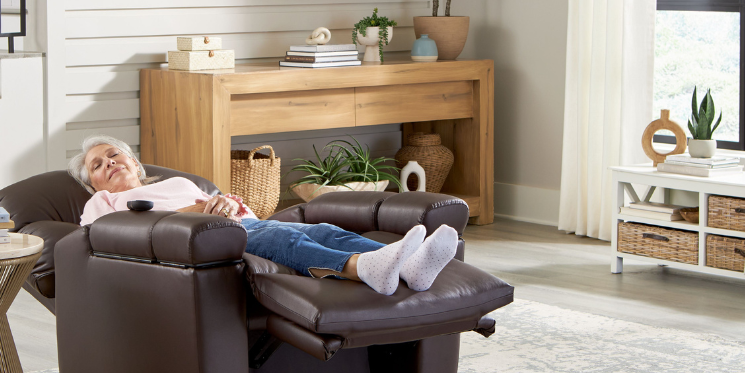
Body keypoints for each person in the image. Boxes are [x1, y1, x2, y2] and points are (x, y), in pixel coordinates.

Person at [67, 134, 459, 296]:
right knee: (283, 239)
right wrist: (199, 213)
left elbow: (238, 208)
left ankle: (410, 265)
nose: (109, 163)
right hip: (198, 244)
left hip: (237, 225)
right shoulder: (103, 204)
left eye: (114, 155)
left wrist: (228, 204)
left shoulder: (180, 182)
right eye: (98, 165)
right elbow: (105, 234)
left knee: (320, 228)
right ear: (95, 185)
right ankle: (361, 267)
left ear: (134, 161)